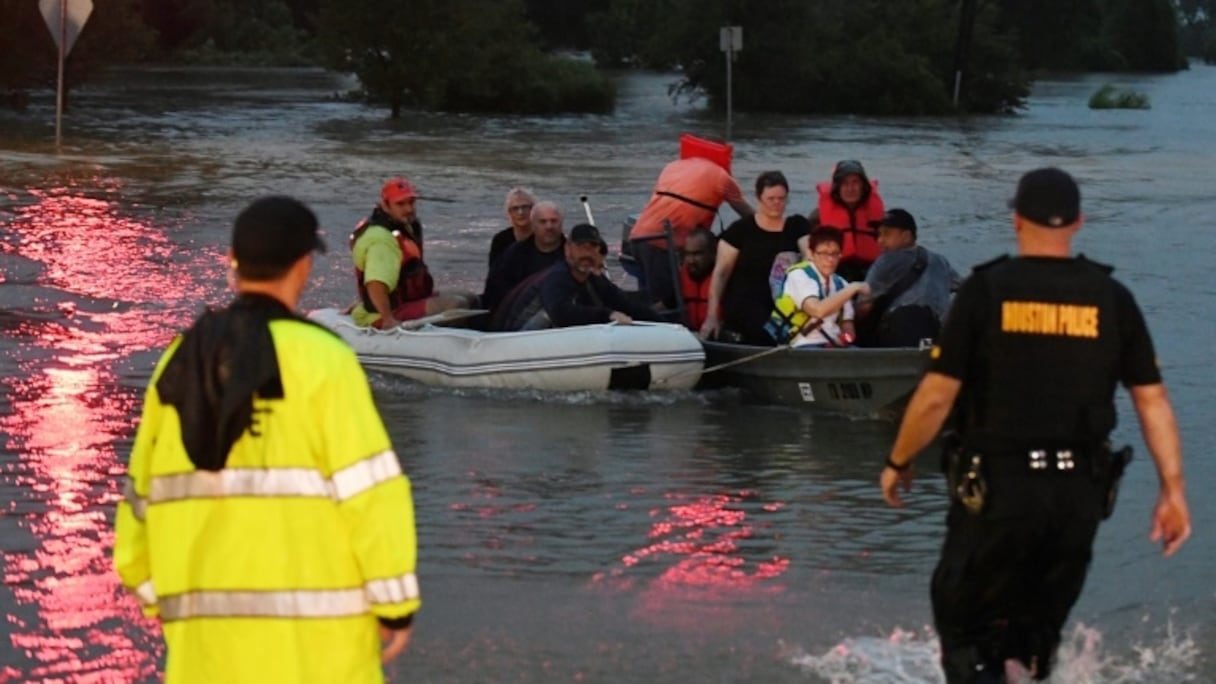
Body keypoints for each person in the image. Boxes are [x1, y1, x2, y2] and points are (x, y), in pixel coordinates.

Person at [879, 168, 1191, 683]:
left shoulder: (985, 292)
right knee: (1035, 638)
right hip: (1077, 497)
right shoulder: (1111, 299)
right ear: (1079, 222)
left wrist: (899, 460)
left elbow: (937, 395)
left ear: (1016, 220)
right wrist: (1173, 490)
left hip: (998, 492)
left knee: (963, 629)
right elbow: (1152, 401)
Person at [113, 196, 421, 683]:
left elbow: (138, 507)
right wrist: (395, 606)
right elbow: (371, 496)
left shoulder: (180, 358)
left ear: (232, 263)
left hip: (204, 657)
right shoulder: (325, 360)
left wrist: (175, 608)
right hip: (319, 656)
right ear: (303, 265)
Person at [700, 171, 810, 345]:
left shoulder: (797, 226)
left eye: (781, 199)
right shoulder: (740, 231)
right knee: (765, 331)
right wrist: (712, 316)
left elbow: (809, 253)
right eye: (771, 198)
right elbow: (721, 274)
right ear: (759, 198)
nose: (777, 204)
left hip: (784, 303)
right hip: (746, 302)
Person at [629, 155, 755, 308]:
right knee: (665, 303)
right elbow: (750, 216)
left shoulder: (673, 166)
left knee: (654, 295)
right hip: (659, 243)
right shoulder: (722, 177)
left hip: (637, 237)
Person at [350, 176, 476, 328]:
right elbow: (375, 283)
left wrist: (360, 300)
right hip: (386, 312)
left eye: (411, 202)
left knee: (470, 297)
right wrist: (388, 319)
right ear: (385, 205)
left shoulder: (405, 225)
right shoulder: (381, 240)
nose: (409, 209)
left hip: (407, 300)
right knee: (457, 304)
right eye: (401, 204)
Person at [499, 224, 661, 331]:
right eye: (581, 247)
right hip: (519, 338)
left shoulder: (594, 279)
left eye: (592, 248)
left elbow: (625, 304)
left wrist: (665, 324)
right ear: (568, 249)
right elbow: (560, 312)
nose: (587, 254)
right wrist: (607, 315)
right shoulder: (557, 276)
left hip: (555, 343)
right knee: (549, 314)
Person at [856, 208, 961, 347]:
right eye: (879, 235)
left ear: (906, 236)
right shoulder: (940, 261)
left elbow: (863, 306)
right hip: (938, 333)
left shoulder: (886, 261)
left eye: (886, 234)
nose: (880, 241)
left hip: (902, 331)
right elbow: (966, 288)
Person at [766, 227, 868, 347]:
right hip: (801, 346)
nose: (830, 259)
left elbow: (847, 324)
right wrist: (853, 288)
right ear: (811, 253)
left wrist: (845, 338)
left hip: (833, 346)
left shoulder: (841, 284)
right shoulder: (799, 275)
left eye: (835, 253)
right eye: (823, 253)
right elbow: (817, 310)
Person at [481, 200, 565, 315]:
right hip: (519, 314)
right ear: (533, 225)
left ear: (561, 223)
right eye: (543, 222)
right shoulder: (514, 254)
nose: (549, 226)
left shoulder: (572, 254)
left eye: (554, 221)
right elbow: (495, 288)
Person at [808, 159, 885, 281]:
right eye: (845, 183)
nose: (850, 188)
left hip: (871, 274)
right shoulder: (817, 217)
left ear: (863, 186)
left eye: (855, 183)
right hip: (835, 273)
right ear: (837, 187)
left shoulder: (883, 219)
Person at [678, 227, 716, 332]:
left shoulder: (727, 280)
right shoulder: (681, 278)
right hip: (690, 335)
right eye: (688, 254)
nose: (691, 261)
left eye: (697, 254)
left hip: (718, 338)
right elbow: (667, 303)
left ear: (713, 253)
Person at [487, 186, 536, 269]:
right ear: (509, 213)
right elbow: (494, 275)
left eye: (525, 207)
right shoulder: (500, 240)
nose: (520, 212)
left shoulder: (545, 236)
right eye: (515, 208)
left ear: (534, 209)